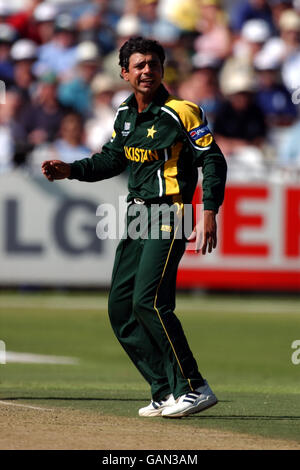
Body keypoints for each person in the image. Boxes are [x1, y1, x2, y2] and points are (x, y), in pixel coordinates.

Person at [41, 36, 227, 419]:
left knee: (151, 302)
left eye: (153, 64)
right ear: (124, 72)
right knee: (120, 309)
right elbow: (111, 160)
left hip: (171, 212)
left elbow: (213, 160)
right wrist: (71, 170)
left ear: (163, 69)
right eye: (139, 65)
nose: (147, 71)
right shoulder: (125, 114)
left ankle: (193, 387)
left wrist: (209, 210)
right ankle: (164, 391)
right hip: (137, 215)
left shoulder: (182, 111)